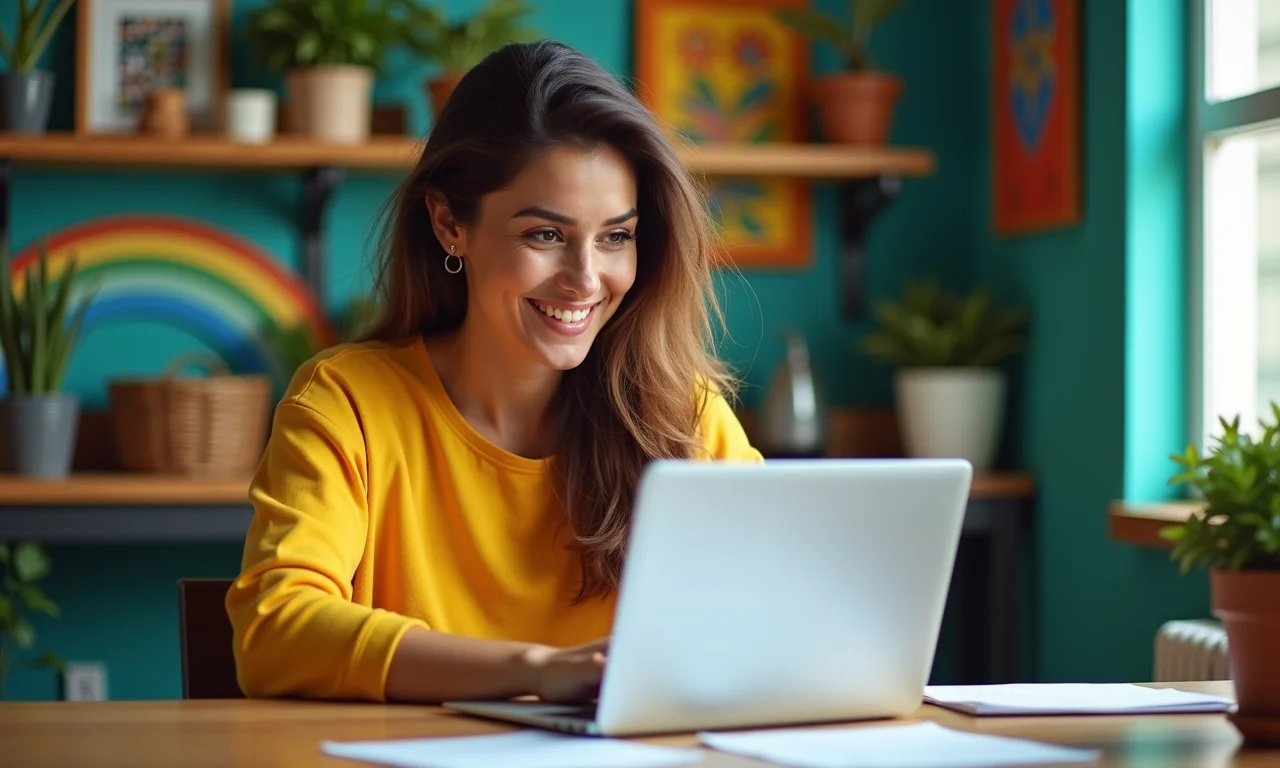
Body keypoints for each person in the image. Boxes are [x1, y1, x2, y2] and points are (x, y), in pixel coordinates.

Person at [224, 40, 762, 706]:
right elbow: (274, 632)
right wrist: (537, 671)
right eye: (545, 235)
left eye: (616, 236)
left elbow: (773, 612)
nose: (587, 279)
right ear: (451, 224)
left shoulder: (686, 416)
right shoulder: (348, 403)